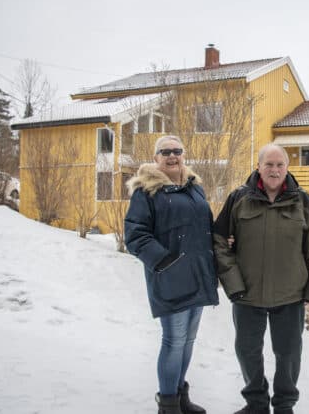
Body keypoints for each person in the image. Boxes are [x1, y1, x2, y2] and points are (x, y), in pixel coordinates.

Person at [213, 143, 309, 414]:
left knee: (288, 354)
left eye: (280, 165)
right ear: (259, 167)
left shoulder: (303, 200)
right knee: (247, 351)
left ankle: (284, 406)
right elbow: (218, 241)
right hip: (247, 294)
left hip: (290, 294)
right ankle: (256, 404)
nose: (274, 170)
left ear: (287, 168)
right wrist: (233, 284)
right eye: (269, 164)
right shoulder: (238, 198)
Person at [124, 135, 218, 414]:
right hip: (170, 277)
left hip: (199, 275)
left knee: (187, 341)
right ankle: (167, 404)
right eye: (165, 152)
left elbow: (206, 227)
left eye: (177, 151)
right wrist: (165, 262)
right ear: (156, 158)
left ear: (184, 155)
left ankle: (179, 396)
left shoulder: (194, 188)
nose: (172, 156)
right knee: (173, 341)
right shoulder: (146, 191)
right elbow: (135, 235)